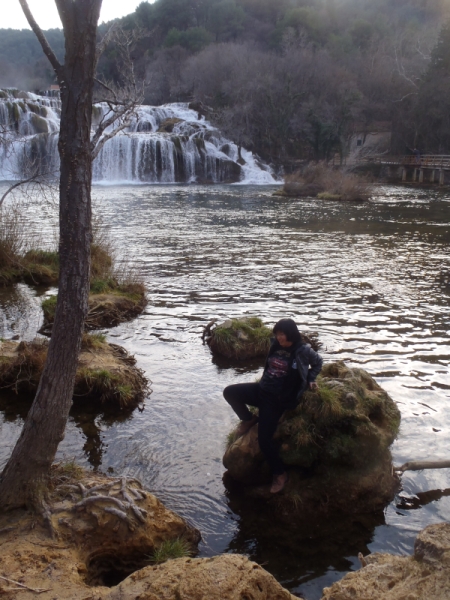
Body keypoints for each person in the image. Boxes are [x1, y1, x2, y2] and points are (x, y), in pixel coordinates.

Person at [223, 318, 323, 494]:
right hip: (262, 391)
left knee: (264, 440)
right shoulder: (275, 346)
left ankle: (280, 474)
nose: (279, 337)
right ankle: (248, 419)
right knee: (230, 392)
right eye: (277, 334)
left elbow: (318, 363)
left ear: (291, 334)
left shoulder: (302, 350)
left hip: (277, 400)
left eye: (282, 334)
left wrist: (311, 379)